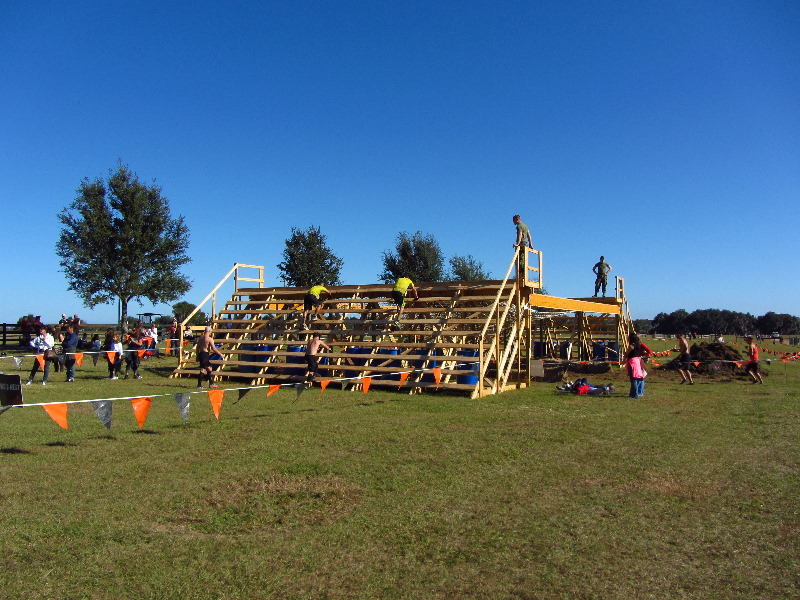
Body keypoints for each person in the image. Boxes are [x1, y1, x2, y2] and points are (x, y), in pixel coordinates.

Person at [625, 333, 651, 398]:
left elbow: (626, 354)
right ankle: (634, 393)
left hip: (632, 362)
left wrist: (624, 354)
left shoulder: (631, 346)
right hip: (638, 362)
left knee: (633, 379)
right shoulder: (639, 345)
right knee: (638, 378)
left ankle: (635, 394)